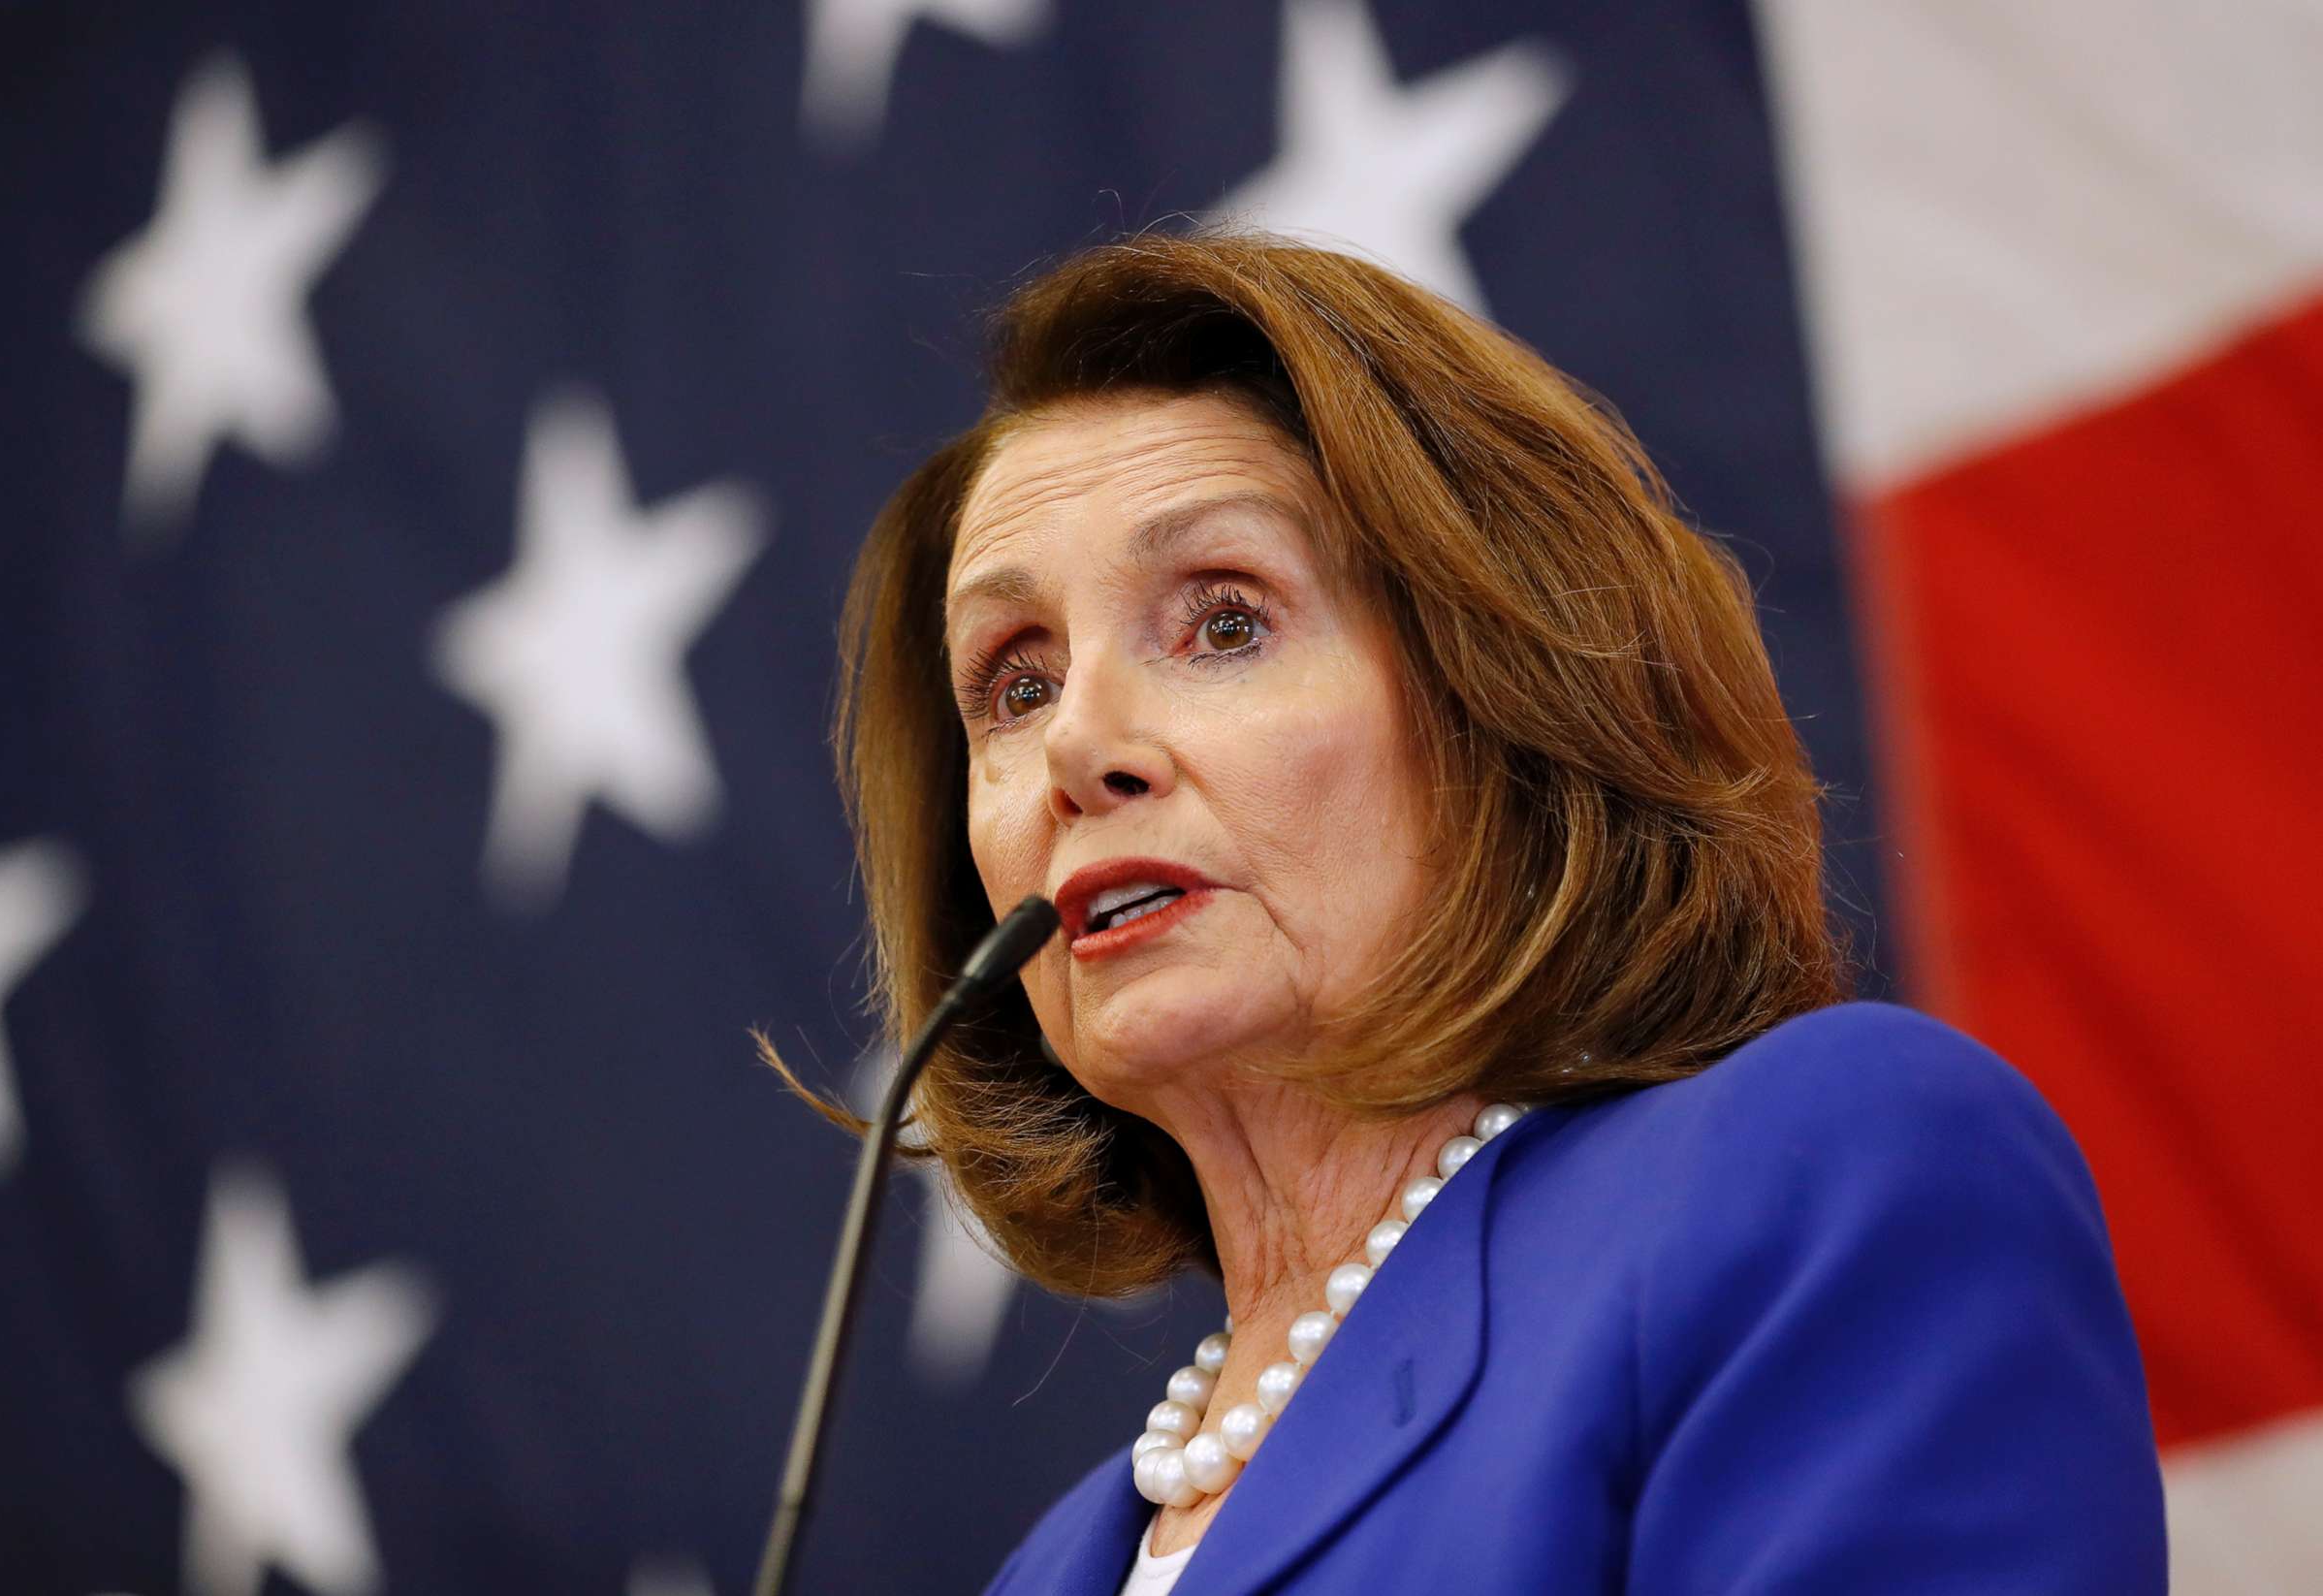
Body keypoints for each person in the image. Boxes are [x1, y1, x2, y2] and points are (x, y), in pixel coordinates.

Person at [788, 232, 2165, 1593]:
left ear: (1500, 705)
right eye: (1015, 685)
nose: (1082, 746)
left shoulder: (1822, 1176)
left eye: (1224, 621)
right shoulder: (1047, 1570)